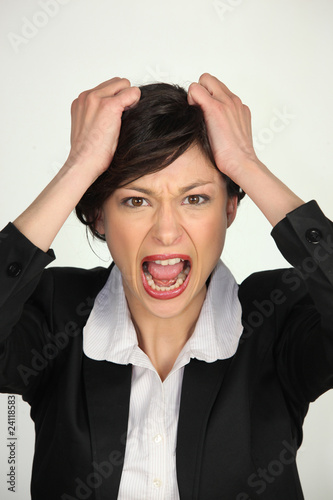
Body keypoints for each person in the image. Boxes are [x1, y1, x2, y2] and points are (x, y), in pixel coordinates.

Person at [0, 73, 332, 500]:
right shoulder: (55, 315)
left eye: (195, 198)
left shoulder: (279, 318)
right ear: (99, 216)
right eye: (136, 200)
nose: (167, 231)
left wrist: (246, 164)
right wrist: (78, 167)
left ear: (231, 207)